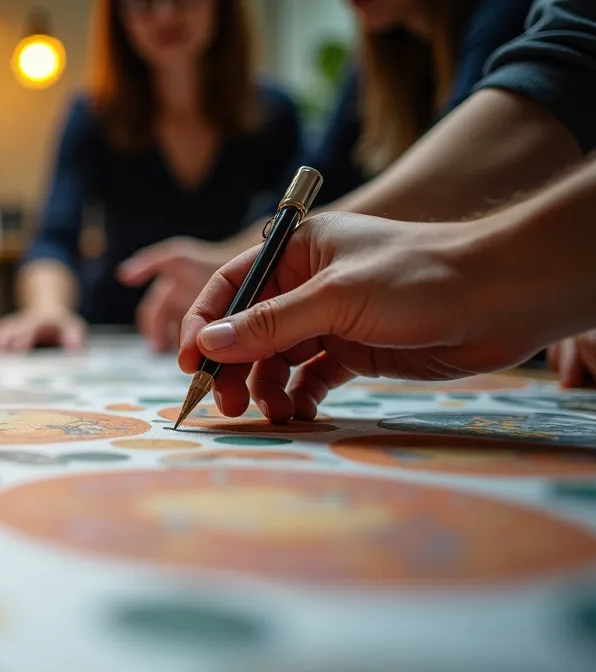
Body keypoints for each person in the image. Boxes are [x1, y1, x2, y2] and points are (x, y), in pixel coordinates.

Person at [177, 0, 596, 422]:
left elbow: (561, 83)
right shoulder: (379, 59)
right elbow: (327, 176)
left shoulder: (505, 14)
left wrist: (481, 282)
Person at [125, 0, 533, 352]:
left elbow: (453, 178)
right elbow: (314, 182)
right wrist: (228, 259)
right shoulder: (380, 59)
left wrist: (232, 260)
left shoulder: (509, 13)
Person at [0, 0, 301, 353]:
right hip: (113, 330)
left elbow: (295, 228)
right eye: (143, 3)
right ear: (120, 18)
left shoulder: (275, 113)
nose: (165, 14)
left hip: (227, 327)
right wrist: (47, 309)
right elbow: (54, 239)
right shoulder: (93, 116)